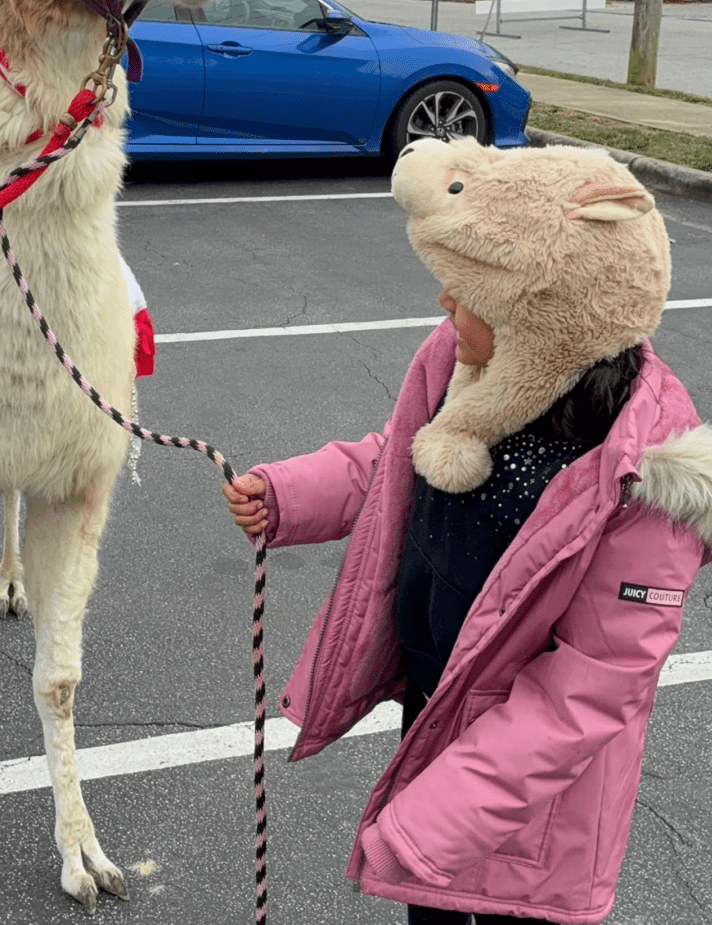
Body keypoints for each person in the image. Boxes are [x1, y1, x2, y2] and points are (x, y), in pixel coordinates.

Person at [222, 137, 712, 925]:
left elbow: (592, 688)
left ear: (541, 321)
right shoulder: (476, 379)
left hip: (535, 805)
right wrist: (291, 494)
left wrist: (429, 821)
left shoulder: (643, 482)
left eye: (466, 291)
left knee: (476, 892)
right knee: (434, 907)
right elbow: (398, 461)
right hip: (439, 709)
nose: (446, 305)